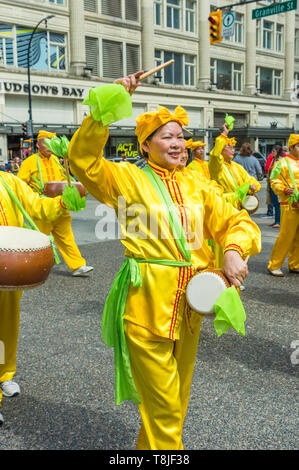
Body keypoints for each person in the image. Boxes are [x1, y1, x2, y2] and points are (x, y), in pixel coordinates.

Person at [68, 72, 261, 450]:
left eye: (181, 137)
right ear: (145, 145)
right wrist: (109, 103)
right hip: (145, 306)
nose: (178, 143)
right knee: (166, 408)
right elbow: (82, 158)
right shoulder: (124, 179)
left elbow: (235, 220)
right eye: (167, 137)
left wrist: (235, 250)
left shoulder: (197, 184)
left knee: (175, 402)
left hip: (191, 306)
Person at [0, 171, 70, 422]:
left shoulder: (8, 181)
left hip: (7, 271)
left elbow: (37, 205)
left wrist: (62, 202)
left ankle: (4, 374)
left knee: (6, 327)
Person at [17, 130, 93, 276]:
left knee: (67, 237)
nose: (49, 146)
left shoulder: (57, 161)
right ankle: (30, 267)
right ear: (38, 145)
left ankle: (77, 266)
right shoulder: (29, 162)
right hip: (42, 208)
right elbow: (20, 185)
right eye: (46, 142)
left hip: (60, 205)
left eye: (52, 142)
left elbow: (64, 179)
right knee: (37, 241)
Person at [208, 124, 261, 270]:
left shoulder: (237, 167)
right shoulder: (216, 167)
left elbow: (251, 181)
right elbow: (214, 156)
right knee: (222, 244)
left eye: (233, 147)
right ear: (221, 150)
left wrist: (253, 186)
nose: (232, 150)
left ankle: (236, 272)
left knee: (238, 241)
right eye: (228, 147)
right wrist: (223, 136)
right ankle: (222, 275)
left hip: (238, 210)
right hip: (223, 209)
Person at [267, 134, 299, 276]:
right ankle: (274, 265)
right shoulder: (282, 163)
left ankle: (295, 264)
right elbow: (274, 180)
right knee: (286, 235)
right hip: (288, 204)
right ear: (292, 147)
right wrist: (285, 190)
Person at [267, 145, 284, 228]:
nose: (272, 153)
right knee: (274, 203)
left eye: (273, 151)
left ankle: (278, 221)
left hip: (277, 184)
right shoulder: (273, 160)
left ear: (278, 151)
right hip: (271, 184)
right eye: (272, 151)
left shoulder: (281, 160)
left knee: (278, 203)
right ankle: (276, 220)